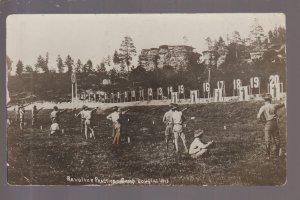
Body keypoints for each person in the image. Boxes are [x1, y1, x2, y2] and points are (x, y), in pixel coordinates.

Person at [257, 93, 285, 159]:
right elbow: (282, 104)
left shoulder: (263, 107)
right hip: (275, 123)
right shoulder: (274, 105)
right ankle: (277, 156)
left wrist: (263, 121)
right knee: (276, 139)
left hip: (268, 123)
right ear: (270, 100)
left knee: (267, 140)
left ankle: (268, 156)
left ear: (265, 100)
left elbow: (258, 116)